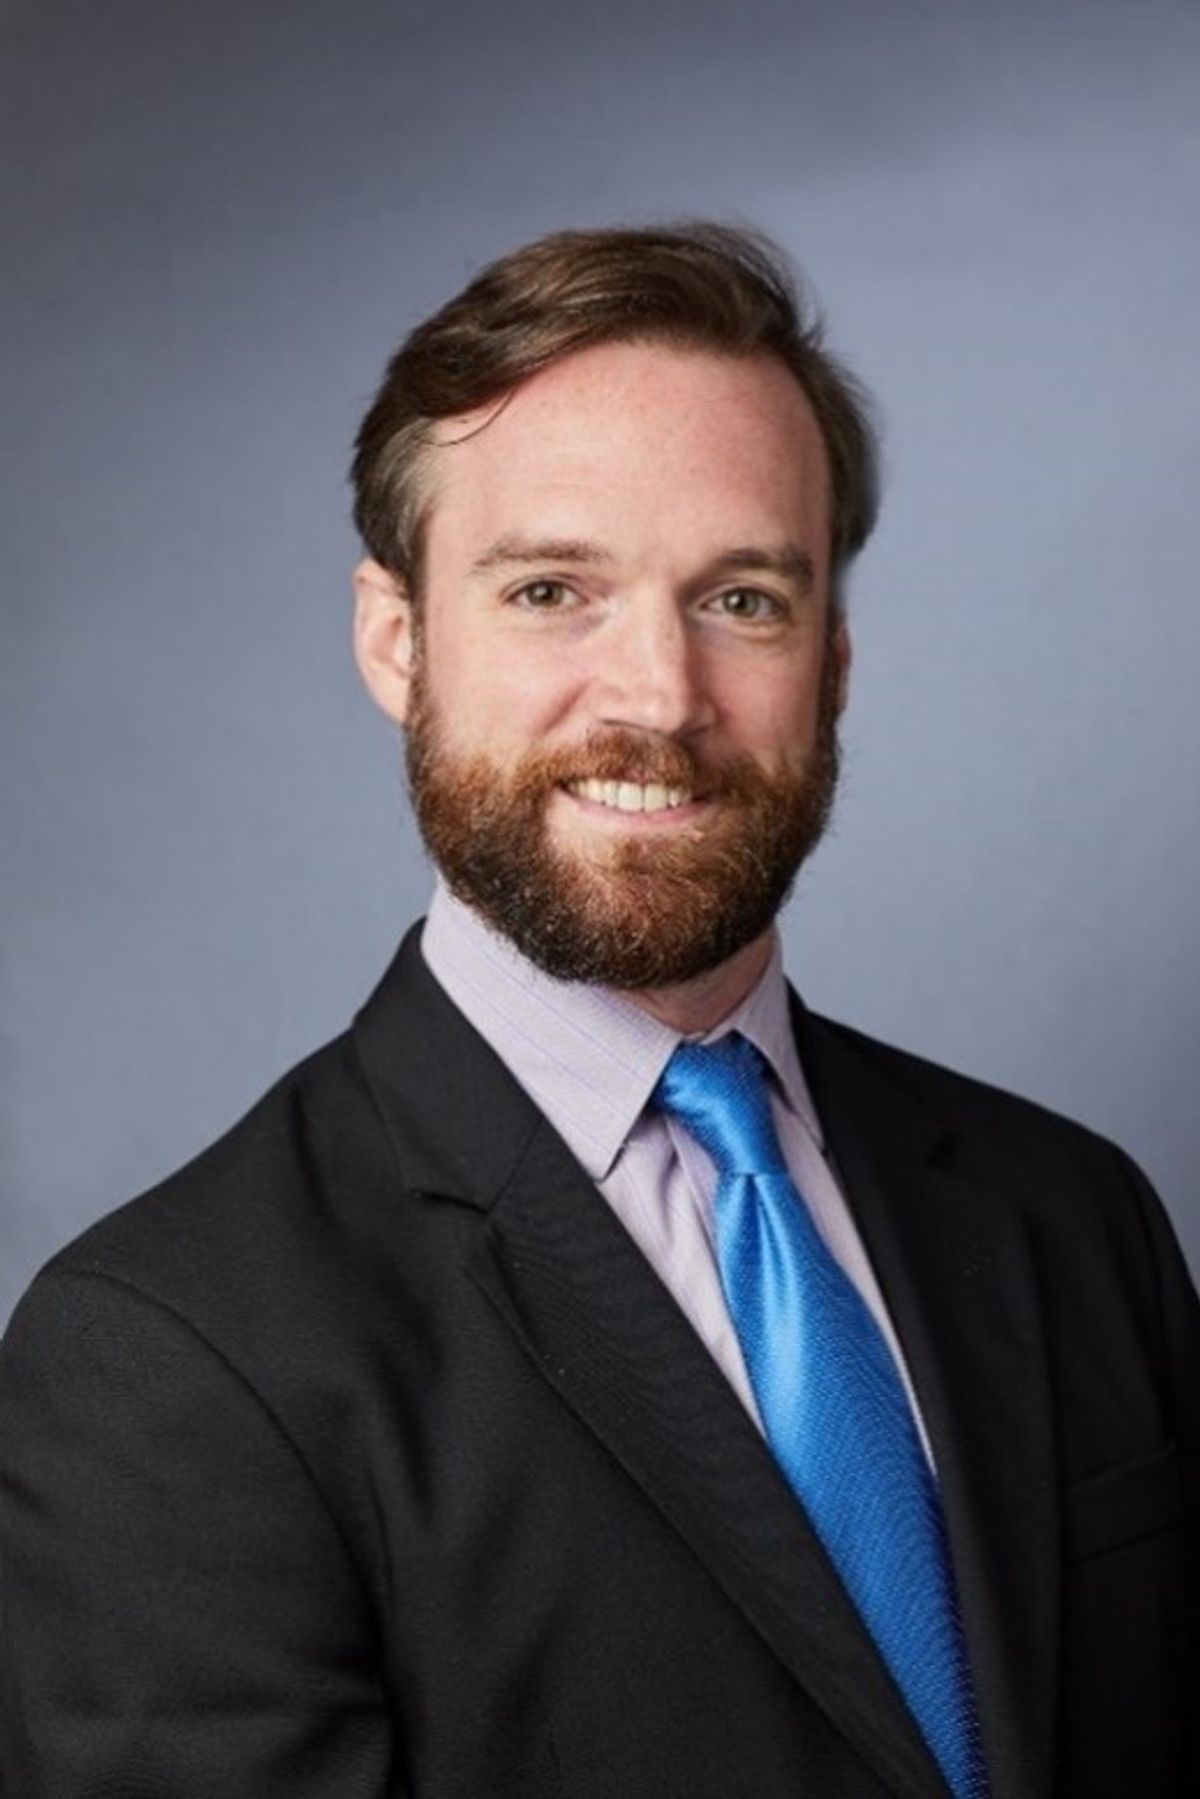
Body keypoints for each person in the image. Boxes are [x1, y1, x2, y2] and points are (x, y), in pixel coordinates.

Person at [1, 224, 1196, 1799]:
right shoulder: (167, 1365)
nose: (658, 697)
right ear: (396, 637)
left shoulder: (1073, 1214)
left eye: (745, 599)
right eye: (553, 588)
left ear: (832, 659)